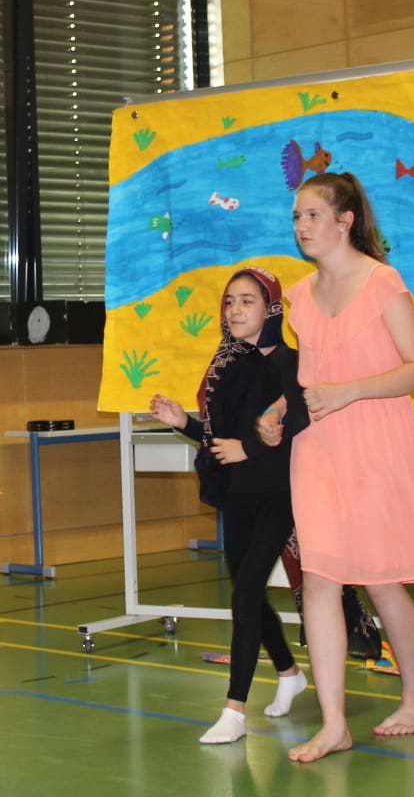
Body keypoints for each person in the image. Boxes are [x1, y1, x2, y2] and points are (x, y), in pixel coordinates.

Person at [258, 171, 414, 762]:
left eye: (313, 215)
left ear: (345, 221)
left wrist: (349, 391)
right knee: (320, 579)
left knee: (380, 579)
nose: (301, 227)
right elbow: (308, 383)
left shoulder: (382, 283)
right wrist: (277, 412)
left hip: (375, 447)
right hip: (317, 451)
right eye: (297, 217)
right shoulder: (299, 298)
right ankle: (334, 723)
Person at [149, 267, 310, 745]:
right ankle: (289, 673)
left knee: (244, 594)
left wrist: (250, 448)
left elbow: (299, 425)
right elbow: (222, 439)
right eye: (229, 302)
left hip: (281, 493)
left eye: (247, 301)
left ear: (271, 309)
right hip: (240, 494)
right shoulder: (229, 364)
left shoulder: (292, 362)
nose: (235, 310)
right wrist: (183, 423)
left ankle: (234, 711)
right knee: (249, 593)